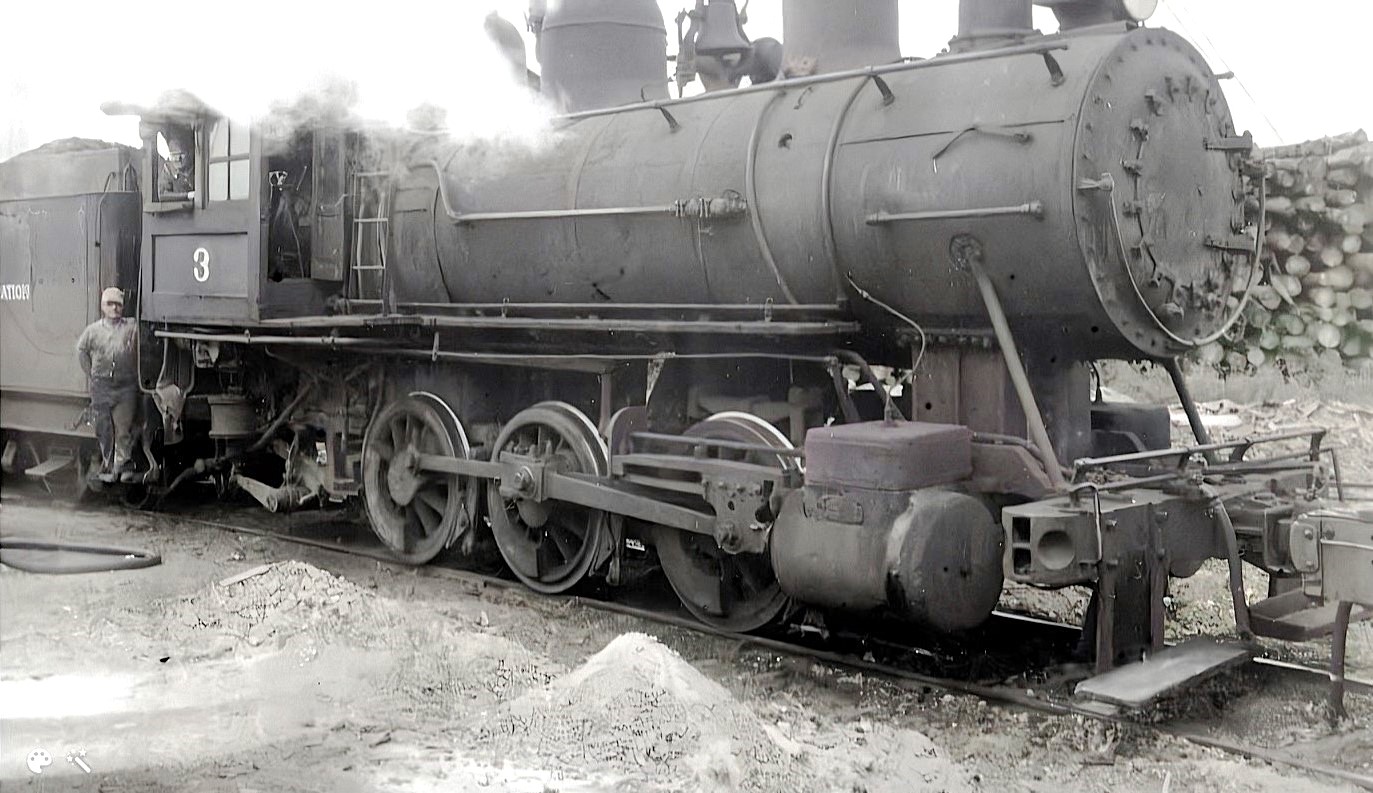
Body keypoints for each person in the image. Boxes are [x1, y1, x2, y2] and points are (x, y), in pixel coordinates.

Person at [76, 287, 140, 483]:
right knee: (103, 428)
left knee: (123, 429)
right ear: (103, 306)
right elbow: (81, 351)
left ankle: (123, 467)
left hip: (125, 387)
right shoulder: (92, 331)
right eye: (110, 304)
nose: (115, 308)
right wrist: (92, 374)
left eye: (118, 304)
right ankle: (109, 466)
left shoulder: (131, 327)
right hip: (101, 387)